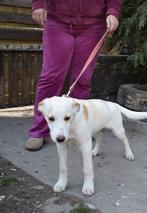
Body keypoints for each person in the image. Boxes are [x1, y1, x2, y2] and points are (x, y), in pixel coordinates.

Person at [25, 0, 122, 151]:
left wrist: (113, 12)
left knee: (82, 80)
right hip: (58, 21)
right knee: (51, 77)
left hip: (93, 26)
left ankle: (77, 129)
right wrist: (39, 4)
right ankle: (39, 131)